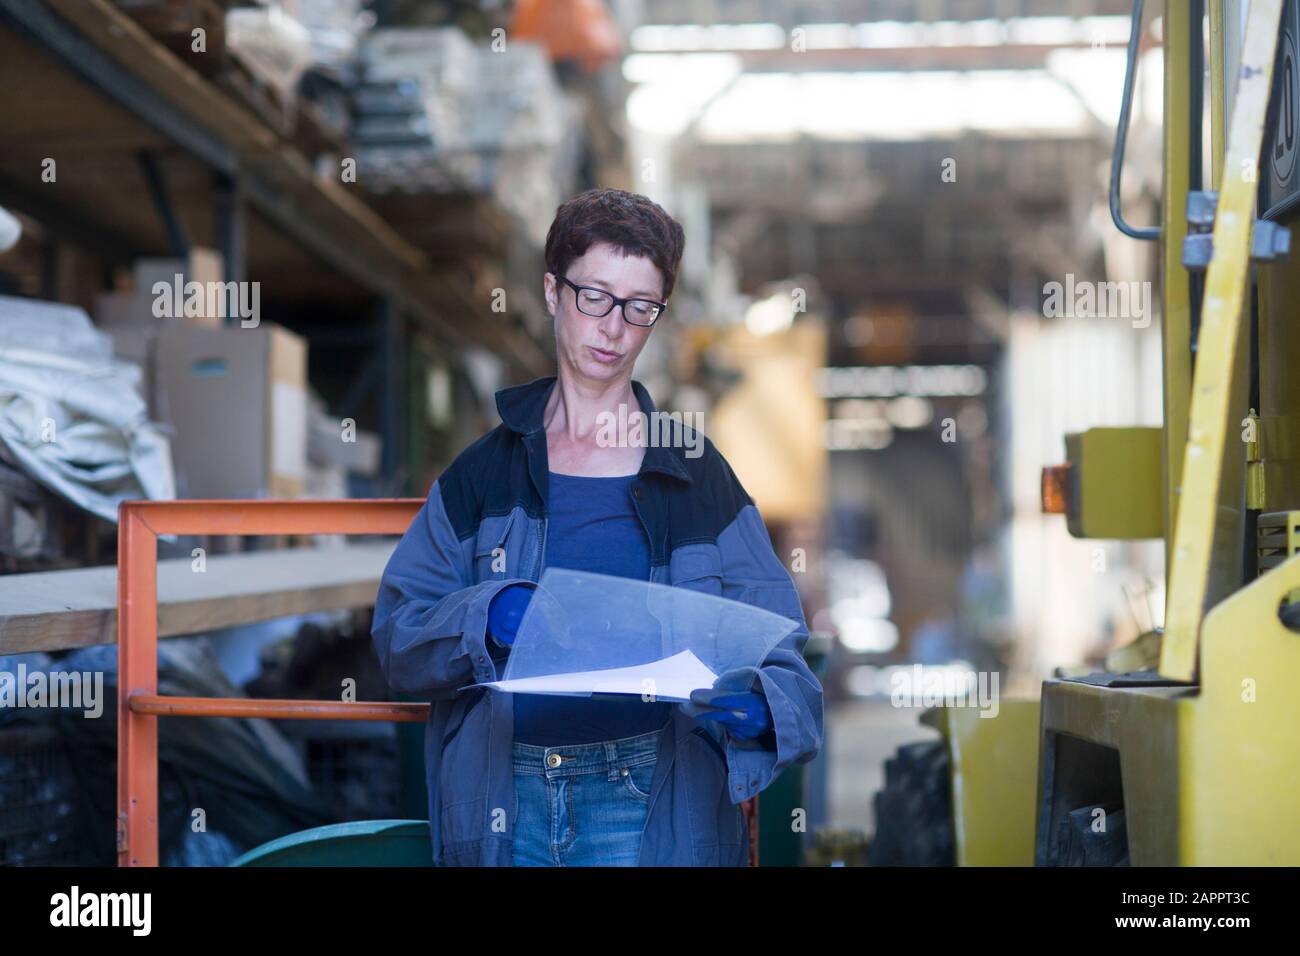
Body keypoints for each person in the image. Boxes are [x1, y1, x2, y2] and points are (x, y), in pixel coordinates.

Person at [370, 187, 823, 866]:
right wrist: (485, 615)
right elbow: (398, 636)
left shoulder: (697, 477)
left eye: (639, 308)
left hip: (649, 802)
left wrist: (763, 704)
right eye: (595, 298)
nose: (613, 327)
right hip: (508, 801)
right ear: (553, 292)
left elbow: (785, 650)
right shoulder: (480, 478)